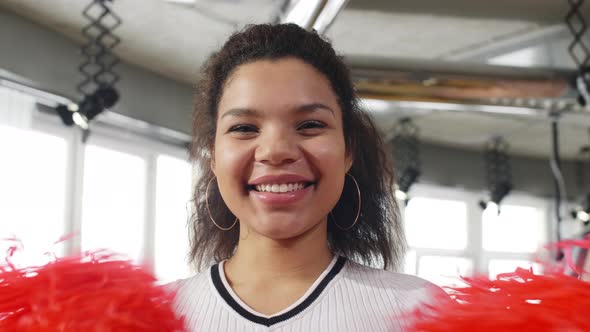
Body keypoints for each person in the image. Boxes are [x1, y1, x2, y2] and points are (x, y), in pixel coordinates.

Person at [171, 23, 441, 331]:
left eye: (310, 125)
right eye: (244, 128)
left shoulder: (421, 309)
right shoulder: (148, 316)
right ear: (214, 156)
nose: (275, 151)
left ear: (348, 150)